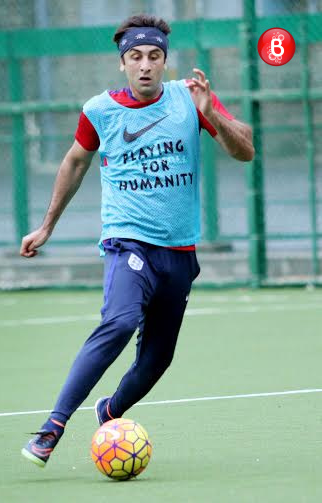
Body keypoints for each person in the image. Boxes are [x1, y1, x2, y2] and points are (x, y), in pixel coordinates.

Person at [20, 14, 254, 468]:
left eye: (154, 56)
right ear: (122, 63)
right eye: (135, 57)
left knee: (156, 361)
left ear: (165, 62)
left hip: (180, 253)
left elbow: (245, 150)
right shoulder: (99, 110)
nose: (145, 65)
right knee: (120, 321)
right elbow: (74, 162)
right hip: (127, 242)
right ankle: (52, 427)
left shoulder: (190, 99)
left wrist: (213, 118)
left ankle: (109, 411)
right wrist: (47, 225)